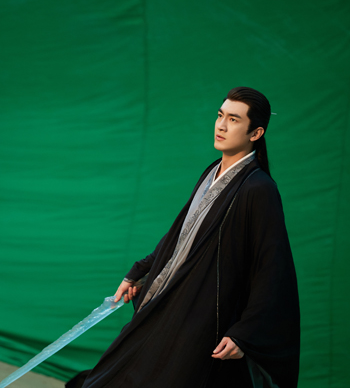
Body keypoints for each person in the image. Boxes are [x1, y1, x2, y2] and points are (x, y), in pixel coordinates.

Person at [67, 87, 300, 388]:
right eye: (220, 116)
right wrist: (140, 271)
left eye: (233, 119)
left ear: (256, 133)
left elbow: (272, 269)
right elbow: (181, 235)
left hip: (202, 318)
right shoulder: (212, 172)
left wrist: (245, 333)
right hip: (172, 300)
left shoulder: (259, 189)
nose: (221, 126)